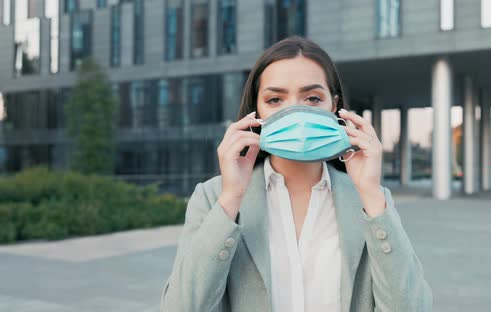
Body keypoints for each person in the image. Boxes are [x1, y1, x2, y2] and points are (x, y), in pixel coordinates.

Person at [159, 36, 432, 312]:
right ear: (256, 111)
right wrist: (231, 199)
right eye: (275, 99)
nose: (295, 112)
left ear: (334, 105)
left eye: (312, 98)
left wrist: (372, 195)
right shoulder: (212, 198)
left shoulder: (370, 200)